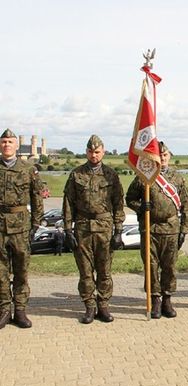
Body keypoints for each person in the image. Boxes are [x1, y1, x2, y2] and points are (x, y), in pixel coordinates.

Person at [62, 135, 125, 324]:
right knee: (86, 271)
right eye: (90, 151)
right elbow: (68, 204)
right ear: (86, 152)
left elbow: (118, 204)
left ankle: (103, 305)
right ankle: (89, 306)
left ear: (103, 152)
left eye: (97, 152)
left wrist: (119, 231)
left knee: (105, 271)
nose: (94, 155)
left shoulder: (111, 175)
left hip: (105, 228)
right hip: (82, 228)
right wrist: (67, 230)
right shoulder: (76, 174)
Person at [126, 141, 188, 319]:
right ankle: (155, 299)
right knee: (151, 267)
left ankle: (167, 299)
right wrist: (141, 207)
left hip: (171, 229)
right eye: (158, 155)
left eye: (164, 155)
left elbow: (185, 205)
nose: (161, 158)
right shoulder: (144, 177)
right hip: (150, 229)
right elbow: (129, 198)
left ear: (169, 156)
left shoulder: (178, 178)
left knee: (169, 267)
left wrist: (184, 229)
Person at [0, 129, 44, 329]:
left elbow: (37, 198)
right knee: (0, 271)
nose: (6, 145)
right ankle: (3, 310)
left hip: (20, 227)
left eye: (10, 141)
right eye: (3, 142)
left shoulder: (28, 169)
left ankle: (20, 310)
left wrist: (36, 224)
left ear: (17, 146)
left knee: (21, 270)